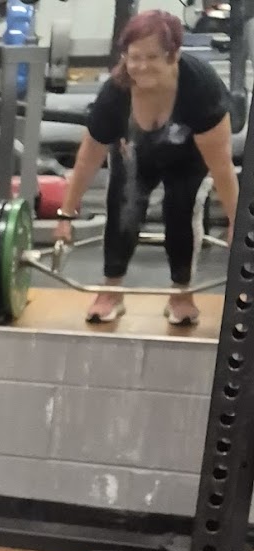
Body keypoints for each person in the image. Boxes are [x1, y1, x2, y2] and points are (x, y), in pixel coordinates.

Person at [53, 10, 238, 327]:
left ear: (175, 54)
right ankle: (110, 291)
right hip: (136, 150)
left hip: (189, 155)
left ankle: (182, 294)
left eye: (153, 57)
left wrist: (238, 224)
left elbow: (221, 166)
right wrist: (66, 215)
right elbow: (88, 158)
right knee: (124, 206)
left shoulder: (200, 89)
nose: (141, 66)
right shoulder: (116, 93)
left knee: (180, 208)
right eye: (134, 57)